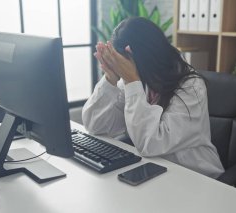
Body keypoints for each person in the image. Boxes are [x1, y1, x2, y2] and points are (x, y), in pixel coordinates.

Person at [82, 17, 224, 179]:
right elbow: (95, 125)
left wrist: (132, 81)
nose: (124, 70)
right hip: (157, 171)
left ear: (146, 57)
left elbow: (151, 143)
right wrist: (110, 77)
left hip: (196, 176)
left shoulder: (191, 86)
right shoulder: (137, 81)